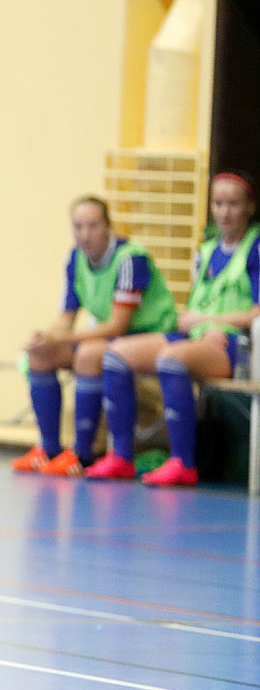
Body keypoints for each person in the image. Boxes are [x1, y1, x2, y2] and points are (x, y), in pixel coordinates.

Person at [89, 172, 260, 486]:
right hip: (196, 336)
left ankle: (183, 461)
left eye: (233, 204)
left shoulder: (255, 248)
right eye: (218, 203)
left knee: (172, 358)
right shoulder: (206, 250)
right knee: (115, 355)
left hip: (236, 345)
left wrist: (214, 324)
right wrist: (191, 319)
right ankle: (121, 457)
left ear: (250, 206)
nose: (224, 212)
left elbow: (256, 311)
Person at [10, 195, 177, 477]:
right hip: (112, 340)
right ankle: (49, 448)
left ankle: (82, 454)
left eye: (92, 226)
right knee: (39, 354)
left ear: (108, 226)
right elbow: (67, 316)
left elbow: (116, 327)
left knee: (88, 355)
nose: (84, 234)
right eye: (77, 227)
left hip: (151, 337)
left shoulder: (130, 259)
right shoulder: (75, 258)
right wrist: (45, 337)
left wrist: (61, 339)